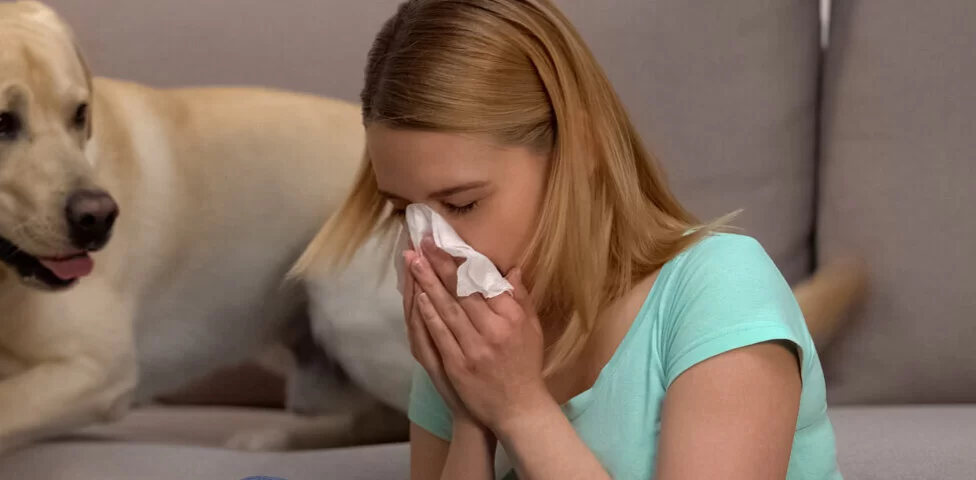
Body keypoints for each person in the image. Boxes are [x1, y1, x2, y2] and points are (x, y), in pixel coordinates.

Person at [292, 0, 841, 478]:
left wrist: (521, 410)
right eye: (404, 213)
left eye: (462, 204)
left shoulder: (719, 288)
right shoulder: (473, 347)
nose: (432, 249)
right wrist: (468, 417)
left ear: (583, 149)